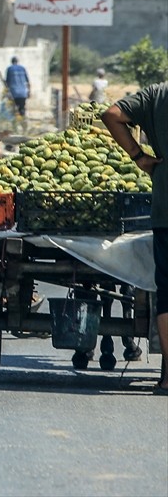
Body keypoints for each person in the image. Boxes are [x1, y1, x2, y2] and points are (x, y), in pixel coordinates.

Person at [101, 84, 167, 395]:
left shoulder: (157, 94)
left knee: (167, 292)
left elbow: (112, 115)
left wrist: (139, 156)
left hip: (166, 208)